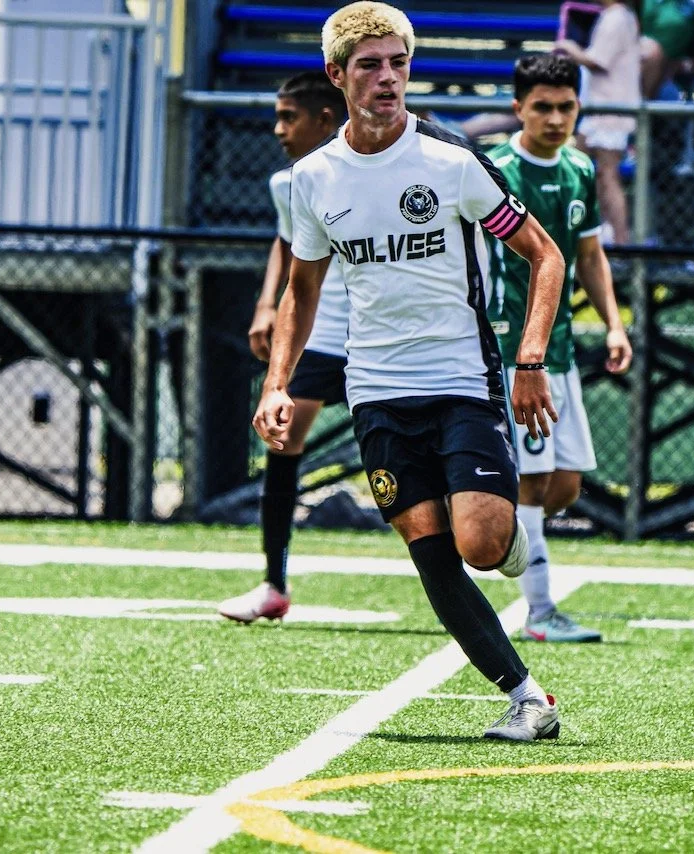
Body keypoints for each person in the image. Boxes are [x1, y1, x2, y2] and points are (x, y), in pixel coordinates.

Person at [253, 1, 567, 742]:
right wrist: (277, 384)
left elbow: (544, 255)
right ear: (339, 77)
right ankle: (528, 697)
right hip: (377, 393)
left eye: (398, 63)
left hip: (462, 378)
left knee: (482, 544)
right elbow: (303, 288)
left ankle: (505, 539)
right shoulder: (313, 180)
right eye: (370, 65)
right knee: (430, 547)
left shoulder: (451, 164)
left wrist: (529, 359)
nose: (388, 78)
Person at [486, 54, 632, 643]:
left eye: (566, 106)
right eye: (541, 106)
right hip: (513, 351)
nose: (555, 118)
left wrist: (615, 324)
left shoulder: (577, 169)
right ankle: (541, 612)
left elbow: (590, 256)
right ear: (518, 107)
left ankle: (483, 523)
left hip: (563, 348)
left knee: (565, 485)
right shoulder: (494, 169)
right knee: (531, 483)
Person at [218, 72, 349, 624]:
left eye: (288, 117)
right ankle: (274, 582)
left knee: (418, 447)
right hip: (319, 334)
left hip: (378, 337)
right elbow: (288, 240)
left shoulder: (371, 171)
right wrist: (267, 305)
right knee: (284, 441)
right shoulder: (286, 183)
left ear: (324, 119)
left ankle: (460, 569)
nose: (277, 129)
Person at [554, 0, 642, 246]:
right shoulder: (616, 16)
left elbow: (597, 60)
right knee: (574, 167)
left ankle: (622, 242)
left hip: (611, 110)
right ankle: (585, 229)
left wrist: (569, 47)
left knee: (607, 175)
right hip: (599, 108)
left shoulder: (617, 17)